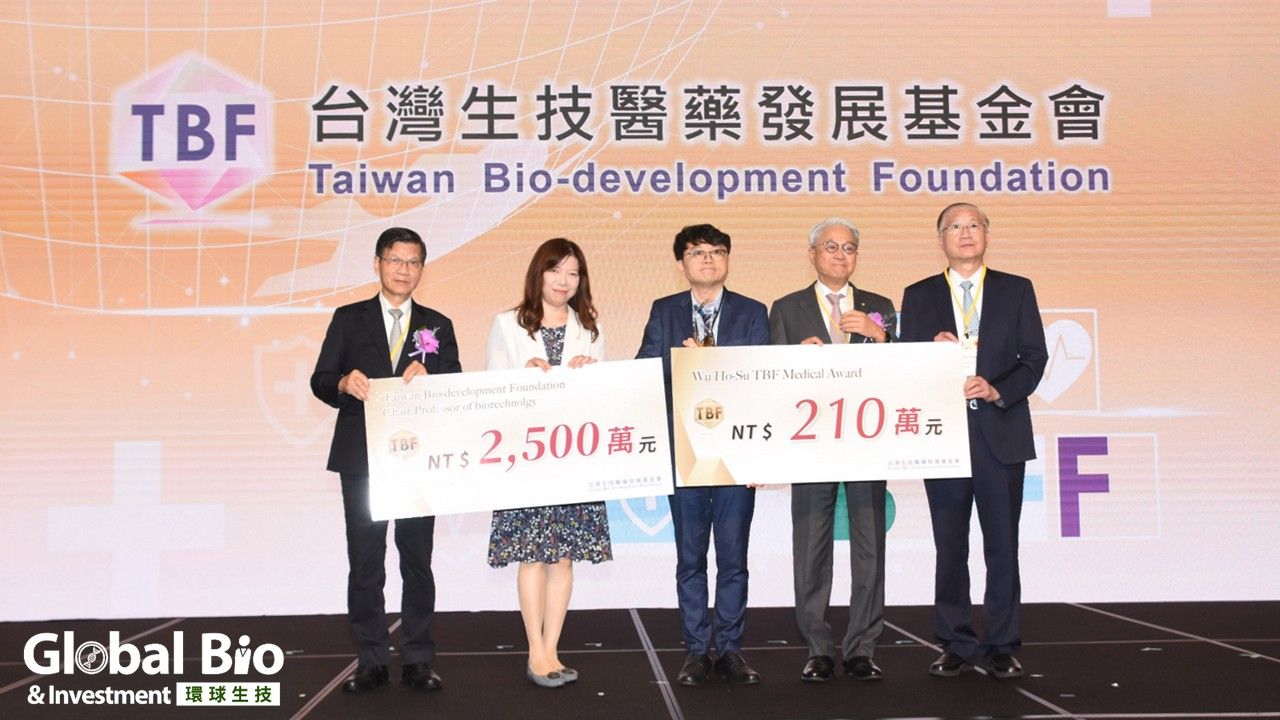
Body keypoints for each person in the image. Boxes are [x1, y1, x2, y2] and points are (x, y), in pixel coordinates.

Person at [899, 203, 1047, 679]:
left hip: (1000, 433)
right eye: (955, 227)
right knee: (950, 545)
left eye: (973, 225)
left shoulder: (1016, 289)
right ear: (941, 239)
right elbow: (904, 366)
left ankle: (1002, 642)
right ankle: (955, 642)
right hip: (943, 434)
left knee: (1002, 544)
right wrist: (929, 353)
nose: (965, 233)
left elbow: (1034, 358)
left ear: (986, 234)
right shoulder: (919, 295)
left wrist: (997, 389)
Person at [310, 227, 460, 694]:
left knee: (417, 562)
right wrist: (343, 383)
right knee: (366, 563)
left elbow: (456, 385)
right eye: (395, 260)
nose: (403, 270)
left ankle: (418, 659)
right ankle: (371, 659)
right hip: (362, 459)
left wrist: (431, 377)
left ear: (422, 269)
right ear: (377, 264)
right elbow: (320, 379)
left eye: (413, 262)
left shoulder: (437, 324)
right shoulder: (348, 318)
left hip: (417, 461)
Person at [636, 223, 769, 686]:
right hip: (685, 452)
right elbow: (645, 370)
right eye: (697, 252)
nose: (708, 259)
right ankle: (695, 650)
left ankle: (730, 649)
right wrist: (683, 358)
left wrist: (712, 360)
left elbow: (762, 376)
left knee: (733, 559)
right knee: (690, 559)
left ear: (728, 259)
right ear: (681, 264)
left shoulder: (753, 311)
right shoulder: (665, 310)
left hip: (736, 453)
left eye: (716, 251)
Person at [768, 217, 895, 683]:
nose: (841, 255)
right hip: (812, 444)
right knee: (811, 547)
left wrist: (881, 338)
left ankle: (862, 648)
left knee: (870, 547)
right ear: (812, 255)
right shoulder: (786, 308)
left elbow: (905, 373)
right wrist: (794, 360)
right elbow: (770, 377)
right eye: (831, 247)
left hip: (866, 441)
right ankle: (818, 648)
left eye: (849, 248)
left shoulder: (880, 307)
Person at [484, 238, 612, 689]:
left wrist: (591, 374)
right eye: (556, 270)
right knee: (531, 557)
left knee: (563, 558)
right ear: (538, 274)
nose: (564, 281)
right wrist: (520, 380)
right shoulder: (507, 325)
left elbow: (606, 400)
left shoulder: (590, 329)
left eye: (573, 273)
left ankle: (553, 648)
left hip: (574, 458)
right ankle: (535, 652)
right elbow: (490, 393)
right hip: (526, 458)